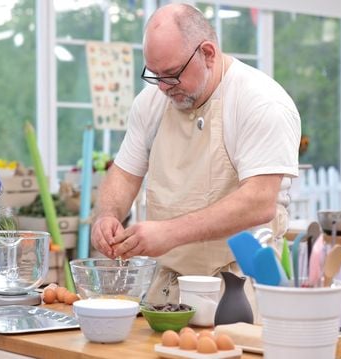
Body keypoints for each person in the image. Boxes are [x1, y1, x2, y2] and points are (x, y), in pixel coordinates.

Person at [91, 3, 301, 308]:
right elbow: (124, 172)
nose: (163, 87)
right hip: (168, 289)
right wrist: (108, 214)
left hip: (240, 287)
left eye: (173, 74)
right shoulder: (151, 101)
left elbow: (259, 201)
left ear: (208, 53)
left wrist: (170, 232)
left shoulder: (261, 102)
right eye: (155, 75)